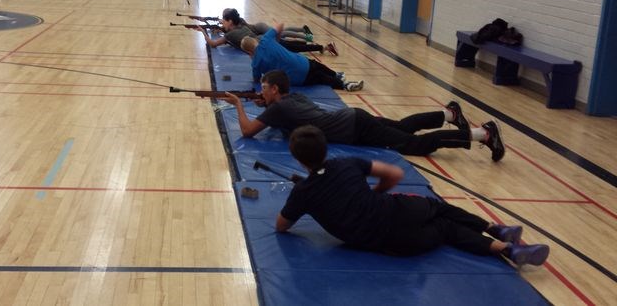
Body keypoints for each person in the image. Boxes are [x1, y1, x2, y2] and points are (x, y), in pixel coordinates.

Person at [276, 125, 549, 266]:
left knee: (445, 230)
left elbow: (282, 226)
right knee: (437, 208)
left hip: (397, 245)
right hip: (396, 210)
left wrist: (306, 200)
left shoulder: (303, 193)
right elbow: (394, 175)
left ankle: (507, 250)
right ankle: (496, 229)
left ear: (298, 159)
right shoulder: (346, 163)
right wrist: (373, 192)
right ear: (325, 148)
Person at [222, 70, 505, 160]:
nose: (261, 91)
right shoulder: (291, 98)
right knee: (402, 127)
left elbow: (248, 131)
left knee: (414, 145)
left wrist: (238, 104)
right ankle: (448, 113)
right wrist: (265, 106)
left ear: (273, 89)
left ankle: (484, 134)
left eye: (264, 88)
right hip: (353, 118)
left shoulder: (280, 108)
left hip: (355, 129)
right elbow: (282, 114)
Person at [239, 25, 363, 92]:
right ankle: (336, 75)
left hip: (297, 78)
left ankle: (344, 85)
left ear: (248, 52)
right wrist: (276, 41)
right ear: (255, 40)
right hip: (302, 62)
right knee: (318, 66)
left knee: (322, 78)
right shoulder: (266, 39)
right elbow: (280, 26)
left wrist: (253, 59)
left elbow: (256, 80)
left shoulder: (255, 64)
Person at [198, 8, 339, 56]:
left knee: (294, 48)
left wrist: (202, 32)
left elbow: (213, 44)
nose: (222, 21)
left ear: (230, 21)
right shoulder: (239, 25)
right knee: (293, 46)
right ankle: (321, 47)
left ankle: (324, 47)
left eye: (224, 20)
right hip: (264, 40)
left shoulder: (229, 34)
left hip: (265, 44)